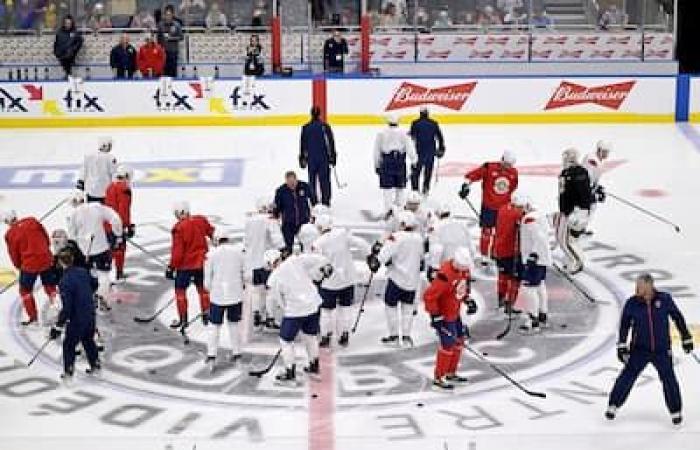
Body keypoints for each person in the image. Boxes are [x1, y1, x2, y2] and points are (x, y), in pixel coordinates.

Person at [605, 273, 694, 425]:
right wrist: (621, 346)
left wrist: (686, 337)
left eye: (639, 287)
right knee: (627, 376)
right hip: (639, 349)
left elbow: (677, 317)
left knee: (669, 378)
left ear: (649, 286)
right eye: (636, 287)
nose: (636, 290)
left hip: (662, 350)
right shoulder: (631, 303)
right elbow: (624, 326)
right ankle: (613, 405)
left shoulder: (664, 299)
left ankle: (675, 410)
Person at [265, 249, 332, 385]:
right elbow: (319, 259)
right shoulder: (295, 260)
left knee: (286, 341)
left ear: (270, 263)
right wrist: (326, 267)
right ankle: (314, 365)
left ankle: (290, 371)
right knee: (310, 336)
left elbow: (277, 300)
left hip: (294, 310)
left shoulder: (273, 278)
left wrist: (284, 312)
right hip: (313, 305)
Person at [311, 214, 371, 348]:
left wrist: (315, 278)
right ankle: (344, 333)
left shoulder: (318, 243)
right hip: (347, 279)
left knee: (326, 311)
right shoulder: (342, 234)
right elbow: (361, 243)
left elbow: (315, 264)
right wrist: (369, 255)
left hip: (329, 283)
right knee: (346, 308)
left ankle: (326, 336)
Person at [368, 211, 423, 347]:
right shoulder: (418, 238)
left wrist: (375, 261)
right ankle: (406, 336)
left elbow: (383, 255)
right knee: (408, 308)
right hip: (412, 279)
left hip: (397, 277)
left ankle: (393, 336)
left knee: (390, 306)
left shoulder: (396, 237)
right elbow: (421, 258)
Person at [424, 247, 475, 390]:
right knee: (447, 344)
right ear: (457, 262)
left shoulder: (464, 270)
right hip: (445, 316)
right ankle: (439, 378)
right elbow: (429, 297)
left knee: (459, 340)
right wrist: (435, 316)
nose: (465, 269)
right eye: (463, 266)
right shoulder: (444, 275)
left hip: (455, 312)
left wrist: (468, 300)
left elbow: (461, 288)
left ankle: (450, 372)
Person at [49, 249, 101, 383]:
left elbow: (67, 308)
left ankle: (69, 371)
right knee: (88, 339)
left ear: (60, 263)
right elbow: (95, 284)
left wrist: (58, 326)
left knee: (69, 344)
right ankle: (95, 363)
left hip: (77, 318)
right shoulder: (83, 272)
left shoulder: (64, 281)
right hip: (90, 313)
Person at [459, 150, 518, 266]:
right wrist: (466, 185)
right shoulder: (489, 167)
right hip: (489, 207)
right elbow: (472, 175)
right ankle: (484, 255)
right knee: (486, 232)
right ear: (502, 160)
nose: (507, 167)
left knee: (501, 233)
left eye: (510, 165)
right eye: (506, 164)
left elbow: (513, 188)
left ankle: (497, 253)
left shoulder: (514, 173)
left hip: (504, 209)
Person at [67, 191, 123, 313]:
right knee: (104, 275)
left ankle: (88, 299)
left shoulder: (73, 215)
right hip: (101, 248)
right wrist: (118, 233)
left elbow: (71, 236)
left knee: (86, 276)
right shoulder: (97, 207)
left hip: (84, 251)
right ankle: (101, 298)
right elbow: (115, 217)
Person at [1, 210, 57, 326]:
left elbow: (14, 254)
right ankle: (59, 309)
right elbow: (46, 238)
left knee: (25, 290)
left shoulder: (10, 234)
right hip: (46, 259)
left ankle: (33, 317)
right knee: (50, 287)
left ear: (6, 221)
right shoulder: (32, 220)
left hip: (29, 265)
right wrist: (45, 251)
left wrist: (19, 267)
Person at [166, 201, 215, 328]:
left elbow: (178, 252)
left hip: (185, 267)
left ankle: (183, 319)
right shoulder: (201, 220)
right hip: (202, 264)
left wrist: (171, 267)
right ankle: (207, 315)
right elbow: (212, 233)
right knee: (203, 290)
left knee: (180, 292)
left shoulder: (178, 228)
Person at [204, 229, 245, 373]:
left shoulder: (211, 255)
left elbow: (207, 281)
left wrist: (210, 290)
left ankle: (211, 356)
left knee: (214, 326)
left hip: (217, 296)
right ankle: (237, 354)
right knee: (234, 325)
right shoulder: (239, 253)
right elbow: (245, 273)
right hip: (235, 294)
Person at [244, 196, 285, 331]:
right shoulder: (269, 220)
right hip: (267, 260)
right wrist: (284, 250)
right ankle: (270, 317)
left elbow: (246, 242)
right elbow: (277, 239)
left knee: (257, 289)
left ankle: (257, 313)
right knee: (270, 290)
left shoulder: (250, 220)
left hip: (252, 261)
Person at [554, 148, 593, 274]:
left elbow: (584, 194)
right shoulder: (568, 173)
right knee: (564, 239)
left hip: (574, 212)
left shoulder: (578, 173)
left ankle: (577, 262)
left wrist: (579, 211)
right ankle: (571, 261)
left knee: (567, 240)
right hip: (569, 211)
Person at [517, 196, 552, 333]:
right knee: (540, 286)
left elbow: (539, 237)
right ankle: (543, 315)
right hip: (542, 259)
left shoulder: (529, 219)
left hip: (534, 260)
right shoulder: (540, 216)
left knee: (529, 289)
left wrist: (534, 254)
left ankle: (533, 321)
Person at [374, 113, 417, 216]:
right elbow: (410, 147)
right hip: (400, 162)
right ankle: (400, 210)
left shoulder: (381, 133)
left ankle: (388, 211)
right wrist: (414, 160)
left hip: (387, 162)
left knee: (387, 189)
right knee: (400, 188)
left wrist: (377, 164)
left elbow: (376, 150)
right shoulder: (403, 133)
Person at [427, 203, 477, 281]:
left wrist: (434, 267)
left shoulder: (437, 227)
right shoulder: (462, 225)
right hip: (463, 266)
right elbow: (472, 248)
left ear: (438, 214)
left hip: (447, 268)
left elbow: (436, 250)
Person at [493, 193, 525, 313]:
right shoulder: (518, 214)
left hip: (499, 249)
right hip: (511, 251)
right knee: (515, 278)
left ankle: (501, 299)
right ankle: (510, 304)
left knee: (503, 276)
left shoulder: (502, 209)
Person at [299, 106, 337, 207]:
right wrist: (333, 157)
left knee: (312, 180)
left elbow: (303, 145)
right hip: (323, 158)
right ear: (319, 114)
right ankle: (325, 201)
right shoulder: (325, 127)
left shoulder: (306, 127)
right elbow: (331, 143)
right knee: (324, 180)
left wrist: (302, 158)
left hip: (311, 158)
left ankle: (313, 200)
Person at [104, 164, 133, 281]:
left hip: (107, 224)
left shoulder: (110, 187)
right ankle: (119, 273)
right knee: (119, 249)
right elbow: (123, 210)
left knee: (109, 250)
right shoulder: (124, 189)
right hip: (117, 226)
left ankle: (104, 275)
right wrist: (126, 226)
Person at [273, 171, 312, 253]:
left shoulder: (304, 186)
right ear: (286, 181)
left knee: (306, 245)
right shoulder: (281, 191)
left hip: (303, 222)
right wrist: (275, 215)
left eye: (293, 182)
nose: (292, 184)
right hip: (288, 224)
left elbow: (312, 199)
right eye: (289, 182)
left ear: (296, 179)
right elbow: (277, 207)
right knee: (288, 247)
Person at [409, 107, 445, 195]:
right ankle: (426, 187)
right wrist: (441, 149)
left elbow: (412, 137)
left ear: (420, 114)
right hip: (430, 152)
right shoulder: (433, 123)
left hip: (419, 152)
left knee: (416, 171)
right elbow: (440, 137)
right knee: (428, 171)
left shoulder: (415, 123)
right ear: (427, 113)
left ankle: (415, 190)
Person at [581, 140, 611, 235]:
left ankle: (580, 228)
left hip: (587, 187)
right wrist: (593, 189)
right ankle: (577, 229)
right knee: (585, 208)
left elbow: (593, 178)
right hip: (582, 187)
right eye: (604, 151)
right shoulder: (592, 159)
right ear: (599, 150)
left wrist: (597, 187)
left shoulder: (599, 160)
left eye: (607, 152)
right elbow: (587, 176)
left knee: (591, 207)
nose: (606, 154)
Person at [76, 136, 117, 204]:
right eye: (109, 145)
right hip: (105, 192)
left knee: (93, 212)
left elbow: (83, 171)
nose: (110, 147)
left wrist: (80, 184)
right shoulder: (111, 158)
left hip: (91, 192)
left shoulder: (88, 156)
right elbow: (114, 175)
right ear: (105, 145)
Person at [157, 6, 183, 77]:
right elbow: (158, 39)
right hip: (163, 52)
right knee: (164, 70)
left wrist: (171, 38)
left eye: (169, 15)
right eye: (166, 15)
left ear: (172, 15)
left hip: (173, 52)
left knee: (173, 70)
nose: (168, 16)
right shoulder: (160, 25)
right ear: (164, 15)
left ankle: (173, 86)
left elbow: (181, 37)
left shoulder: (177, 25)